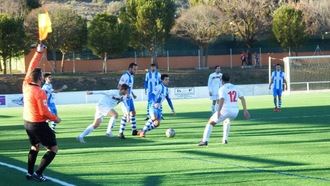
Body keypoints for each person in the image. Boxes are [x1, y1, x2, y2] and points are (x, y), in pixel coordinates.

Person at [23, 44, 61, 182]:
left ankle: (29, 173)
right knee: (53, 148)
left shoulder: (26, 84)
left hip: (27, 123)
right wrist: (55, 118)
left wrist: (39, 52)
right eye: (42, 76)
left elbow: (31, 67)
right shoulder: (40, 92)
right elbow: (43, 111)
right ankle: (38, 173)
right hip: (38, 124)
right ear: (40, 79)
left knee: (35, 146)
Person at [198, 73, 250, 146]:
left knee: (211, 122)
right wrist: (245, 110)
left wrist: (218, 111)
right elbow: (242, 98)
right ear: (229, 79)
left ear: (221, 80)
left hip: (225, 110)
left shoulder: (222, 88)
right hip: (235, 111)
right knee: (227, 121)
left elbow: (222, 99)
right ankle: (225, 140)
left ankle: (204, 141)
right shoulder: (235, 87)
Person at [118, 63, 138, 139]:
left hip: (130, 98)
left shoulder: (131, 77)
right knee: (126, 115)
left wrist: (133, 94)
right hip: (125, 98)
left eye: (136, 69)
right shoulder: (125, 76)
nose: (135, 71)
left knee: (133, 113)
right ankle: (120, 133)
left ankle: (134, 130)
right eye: (134, 69)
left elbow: (128, 87)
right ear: (130, 68)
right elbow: (119, 86)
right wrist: (123, 96)